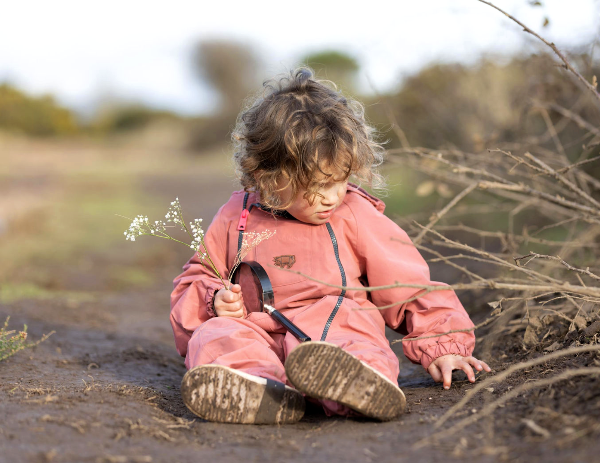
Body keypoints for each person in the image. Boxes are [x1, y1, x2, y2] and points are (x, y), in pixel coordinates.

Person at [170, 67, 491, 425]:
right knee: (218, 334)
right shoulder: (237, 215)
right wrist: (215, 301)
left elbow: (407, 284)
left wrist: (442, 345)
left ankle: (356, 383)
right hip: (259, 331)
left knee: (347, 326)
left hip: (331, 332)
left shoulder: (354, 213)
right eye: (319, 184)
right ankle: (257, 388)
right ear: (270, 176)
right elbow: (196, 278)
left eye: (341, 180)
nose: (333, 197)